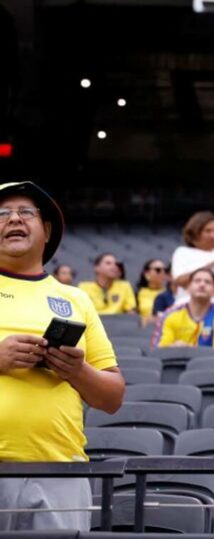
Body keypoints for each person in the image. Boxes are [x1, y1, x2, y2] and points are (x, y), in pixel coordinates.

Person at [0, 181, 124, 532]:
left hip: (59, 469)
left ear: (47, 229)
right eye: (2, 214)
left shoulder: (76, 299)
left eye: (26, 212)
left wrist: (77, 370)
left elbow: (112, 397)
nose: (13, 220)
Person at [152, 268, 214, 356]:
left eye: (208, 282)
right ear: (188, 288)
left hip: (210, 368)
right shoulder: (170, 315)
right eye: (197, 281)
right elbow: (158, 352)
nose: (202, 284)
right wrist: (174, 348)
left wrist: (188, 350)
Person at [135, 258, 172, 325]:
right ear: (147, 274)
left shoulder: (170, 294)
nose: (162, 273)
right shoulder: (137, 293)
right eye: (158, 270)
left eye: (165, 270)